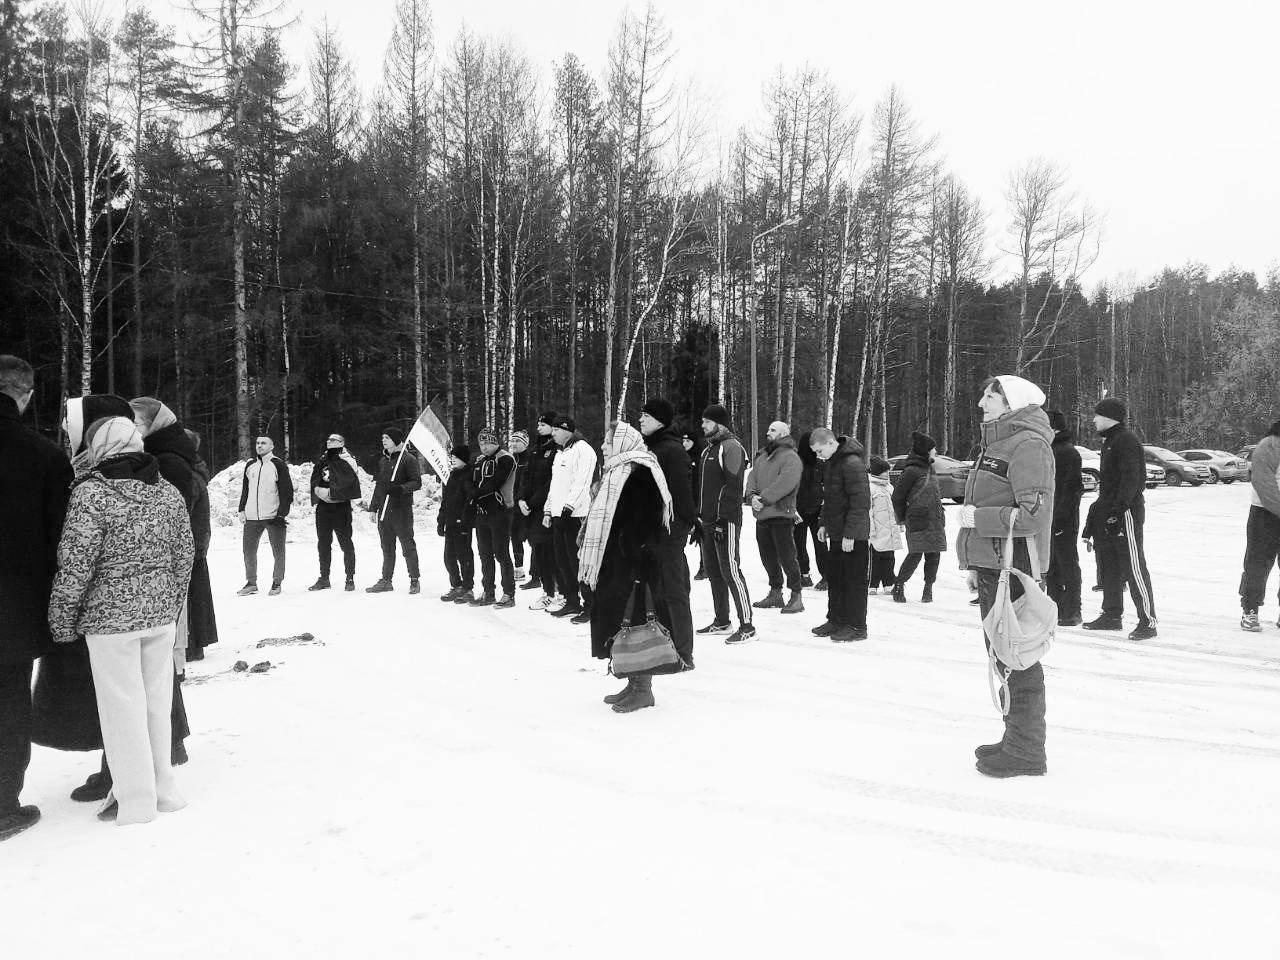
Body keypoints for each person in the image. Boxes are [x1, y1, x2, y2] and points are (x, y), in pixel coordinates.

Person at [48, 416, 194, 824]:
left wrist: (62, 619)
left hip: (110, 623)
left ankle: (135, 802)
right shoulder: (166, 491)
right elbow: (185, 555)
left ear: (101, 448)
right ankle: (165, 789)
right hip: (159, 618)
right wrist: (170, 603)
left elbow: (76, 563)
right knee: (156, 703)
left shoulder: (92, 494)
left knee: (121, 709)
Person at [957, 375, 1054, 779]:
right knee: (1002, 656)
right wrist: (975, 560)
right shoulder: (997, 444)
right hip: (994, 567)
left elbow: (1034, 515)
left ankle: (1027, 750)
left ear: (1012, 402)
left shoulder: (1028, 445)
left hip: (1014, 570)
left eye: (990, 396)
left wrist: (977, 520)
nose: (981, 402)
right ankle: (1015, 737)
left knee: (1017, 657)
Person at [0, 356, 72, 842]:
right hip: (15, 609)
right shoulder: (43, 455)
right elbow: (61, 539)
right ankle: (3, 805)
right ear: (24, 395)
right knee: (8, 704)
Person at [584, 421, 677, 714]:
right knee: (621, 622)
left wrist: (638, 559)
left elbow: (645, 522)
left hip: (635, 563)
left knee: (636, 622)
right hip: (617, 561)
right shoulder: (617, 471)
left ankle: (643, 689)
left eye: (607, 442)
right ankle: (631, 680)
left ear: (622, 443)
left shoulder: (641, 473)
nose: (603, 446)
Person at [1083, 398, 1158, 641]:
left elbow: (1132, 481)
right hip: (1109, 511)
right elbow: (1109, 485)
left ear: (1109, 417)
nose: (1093, 420)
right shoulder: (1110, 442)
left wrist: (1117, 511)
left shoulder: (1126, 440)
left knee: (1133, 566)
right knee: (1110, 565)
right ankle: (1112, 614)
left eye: (1097, 415)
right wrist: (1098, 513)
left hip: (1125, 513)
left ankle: (1148, 621)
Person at [638, 398, 697, 671]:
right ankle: (666, 646)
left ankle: (684, 652)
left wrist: (687, 522)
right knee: (659, 591)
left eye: (646, 417)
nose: (641, 420)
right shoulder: (651, 448)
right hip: (652, 530)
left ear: (660, 421)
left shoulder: (672, 450)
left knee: (674, 592)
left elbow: (683, 492)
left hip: (670, 531)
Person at [696, 404, 755, 644]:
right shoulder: (707, 450)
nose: (703, 426)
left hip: (726, 520)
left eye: (707, 422)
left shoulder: (731, 447)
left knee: (731, 569)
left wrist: (723, 519)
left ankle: (748, 625)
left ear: (719, 424)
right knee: (714, 571)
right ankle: (722, 620)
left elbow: (733, 486)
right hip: (707, 520)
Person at [809, 429, 870, 642]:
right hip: (836, 533)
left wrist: (850, 534)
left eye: (820, 450)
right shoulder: (832, 462)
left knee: (853, 581)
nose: (819, 455)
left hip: (853, 536)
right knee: (835, 579)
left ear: (830, 442)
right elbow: (830, 497)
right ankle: (836, 619)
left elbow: (860, 502)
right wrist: (823, 523)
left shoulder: (852, 463)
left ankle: (856, 625)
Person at [744, 420, 805, 614]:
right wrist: (751, 495)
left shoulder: (791, 457)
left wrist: (764, 498)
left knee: (788, 557)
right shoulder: (762, 456)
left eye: (773, 430)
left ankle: (796, 595)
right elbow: (752, 477)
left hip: (781, 514)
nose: (768, 432)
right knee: (767, 556)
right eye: (768, 429)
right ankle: (775, 591)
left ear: (784, 433)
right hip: (762, 515)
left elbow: (786, 481)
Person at [544, 416, 596, 622]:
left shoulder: (583, 450)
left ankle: (591, 604)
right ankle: (571, 599)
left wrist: (568, 508)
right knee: (562, 561)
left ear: (566, 430)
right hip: (558, 515)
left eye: (556, 430)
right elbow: (555, 486)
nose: (553, 433)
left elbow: (582, 483)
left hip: (576, 515)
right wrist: (549, 510)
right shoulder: (560, 453)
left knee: (578, 562)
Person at [892, 431, 947, 603]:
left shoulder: (930, 469)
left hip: (935, 518)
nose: (935, 452)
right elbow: (897, 497)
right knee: (916, 553)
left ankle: (928, 588)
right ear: (925, 451)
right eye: (933, 449)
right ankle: (899, 585)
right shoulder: (911, 471)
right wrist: (901, 518)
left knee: (934, 554)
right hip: (918, 519)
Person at [367, 427, 422, 594]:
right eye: (383, 437)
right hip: (384, 510)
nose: (384, 440)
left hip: (401, 511)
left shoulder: (408, 459)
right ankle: (386, 580)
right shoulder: (384, 460)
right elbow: (379, 485)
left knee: (407, 546)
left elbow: (416, 482)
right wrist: (373, 507)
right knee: (387, 547)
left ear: (396, 440)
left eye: (388, 438)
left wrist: (400, 489)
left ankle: (414, 579)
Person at [181, 428, 219, 660]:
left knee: (193, 594)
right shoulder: (195, 471)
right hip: (197, 541)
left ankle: (192, 646)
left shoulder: (189, 476)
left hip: (192, 543)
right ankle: (196, 644)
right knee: (197, 593)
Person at [237, 435, 292, 596]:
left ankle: (277, 582)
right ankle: (251, 582)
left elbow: (286, 491)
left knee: (278, 551)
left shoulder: (278, 464)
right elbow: (245, 490)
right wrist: (242, 509)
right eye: (257, 443)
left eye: (263, 443)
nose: (259, 446)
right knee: (248, 551)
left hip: (273, 516)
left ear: (272, 446)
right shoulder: (250, 465)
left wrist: (281, 514)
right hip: (252, 516)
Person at [469, 428, 518, 608]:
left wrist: (476, 494)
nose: (484, 447)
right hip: (482, 512)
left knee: (501, 552)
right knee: (484, 553)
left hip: (501, 510)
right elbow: (473, 480)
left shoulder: (505, 458)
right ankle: (488, 591)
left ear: (495, 442)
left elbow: (496, 481)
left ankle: (509, 593)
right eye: (481, 444)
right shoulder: (480, 460)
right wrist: (471, 494)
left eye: (487, 443)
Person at [1239, 421, 1280, 631]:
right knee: (1257, 565)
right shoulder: (1269, 446)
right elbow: (1264, 485)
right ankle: (1250, 610)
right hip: (1264, 514)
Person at [307, 433, 360, 591]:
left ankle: (349, 578)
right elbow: (315, 477)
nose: (329, 442)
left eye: (334, 440)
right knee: (323, 543)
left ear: (342, 442)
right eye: (328, 439)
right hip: (323, 507)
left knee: (346, 543)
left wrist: (333, 494)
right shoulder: (323, 459)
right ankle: (324, 578)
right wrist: (317, 490)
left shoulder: (348, 460)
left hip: (340, 507)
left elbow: (349, 482)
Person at [1045, 410, 1084, 626]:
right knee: (1051, 565)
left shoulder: (1068, 453)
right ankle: (1056, 607)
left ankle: (1072, 610)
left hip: (1063, 519)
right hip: (1049, 517)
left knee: (1067, 563)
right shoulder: (1050, 450)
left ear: (1054, 429)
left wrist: (1059, 517)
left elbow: (1072, 491)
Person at [519, 413, 560, 607]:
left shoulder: (557, 450)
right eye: (538, 423)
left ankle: (558, 591)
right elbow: (525, 478)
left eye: (543, 424)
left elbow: (551, 481)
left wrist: (534, 502)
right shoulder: (535, 451)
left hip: (546, 507)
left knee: (550, 551)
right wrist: (521, 499)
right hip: (531, 509)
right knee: (539, 549)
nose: (539, 427)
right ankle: (547, 590)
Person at [438, 445, 475, 602]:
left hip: (463, 524)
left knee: (464, 555)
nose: (452, 459)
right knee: (449, 557)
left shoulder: (470, 475)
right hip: (450, 523)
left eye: (455, 457)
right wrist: (441, 520)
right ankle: (456, 585)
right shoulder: (451, 476)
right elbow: (445, 501)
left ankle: (468, 588)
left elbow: (470, 500)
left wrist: (464, 518)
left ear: (464, 459)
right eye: (451, 457)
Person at [795, 430, 828, 590]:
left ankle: (811, 575)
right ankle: (808, 575)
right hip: (804, 509)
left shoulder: (819, 464)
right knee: (807, 543)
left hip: (811, 509)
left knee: (814, 543)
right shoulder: (797, 463)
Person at [867, 455, 903, 593]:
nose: (888, 473)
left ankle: (889, 582)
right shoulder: (870, 488)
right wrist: (870, 529)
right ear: (877, 471)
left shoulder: (889, 487)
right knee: (875, 558)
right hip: (876, 530)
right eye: (885, 471)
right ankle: (872, 584)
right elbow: (868, 511)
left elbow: (896, 508)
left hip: (890, 529)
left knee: (889, 557)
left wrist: (900, 524)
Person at [682, 430, 709, 580]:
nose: (685, 444)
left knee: (701, 536)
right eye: (683, 441)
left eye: (688, 441)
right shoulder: (680, 457)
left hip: (697, 500)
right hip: (685, 501)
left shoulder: (699, 459)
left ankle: (704, 565)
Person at [508, 430, 532, 581]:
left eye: (517, 441)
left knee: (531, 537)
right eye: (512, 441)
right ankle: (519, 568)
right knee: (514, 536)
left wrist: (523, 498)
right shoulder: (511, 459)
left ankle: (538, 571)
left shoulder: (530, 459)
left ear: (525, 443)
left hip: (527, 504)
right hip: (512, 505)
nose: (514, 444)